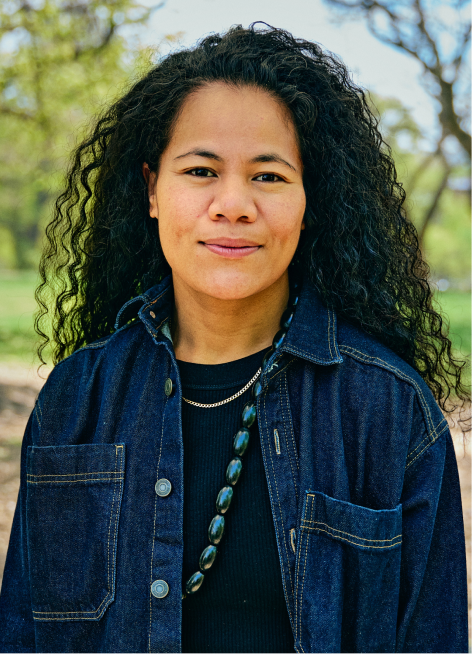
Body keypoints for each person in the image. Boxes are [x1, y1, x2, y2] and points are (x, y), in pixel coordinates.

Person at [0, 23, 469, 654]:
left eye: (269, 177)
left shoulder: (389, 411)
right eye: (200, 170)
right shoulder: (76, 399)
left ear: (310, 199)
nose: (233, 204)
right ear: (152, 192)